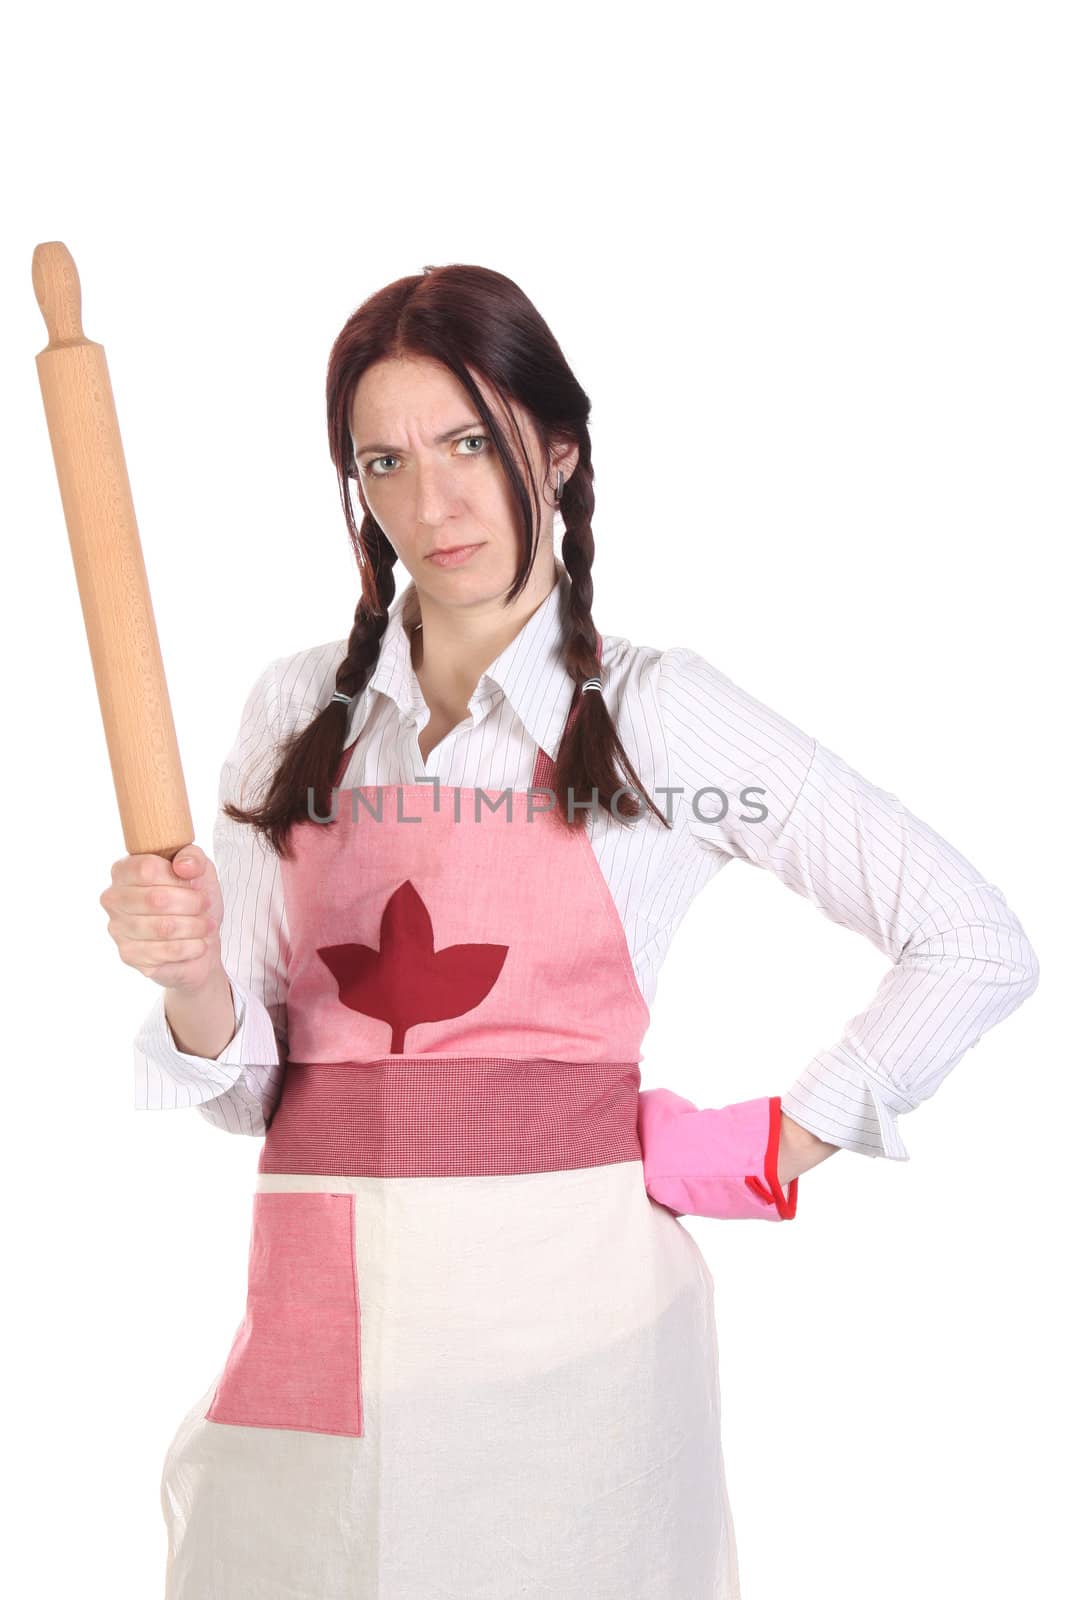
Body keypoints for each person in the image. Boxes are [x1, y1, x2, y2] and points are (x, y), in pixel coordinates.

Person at [102, 264, 1039, 1599]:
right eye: (385, 462)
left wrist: (779, 1140)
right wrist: (192, 970)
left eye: (470, 442)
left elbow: (968, 935)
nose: (432, 505)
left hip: (568, 1356)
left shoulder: (656, 713)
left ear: (555, 443)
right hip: (316, 1346)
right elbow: (253, 1095)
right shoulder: (298, 708)